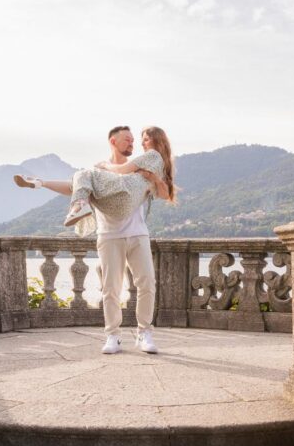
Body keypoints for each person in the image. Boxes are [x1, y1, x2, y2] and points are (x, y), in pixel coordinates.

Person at [14, 126, 176, 355]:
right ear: (113, 141)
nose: (133, 143)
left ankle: (145, 332)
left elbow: (164, 193)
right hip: (109, 235)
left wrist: (156, 178)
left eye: (134, 140)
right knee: (111, 289)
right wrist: (42, 183)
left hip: (138, 233)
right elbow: (71, 187)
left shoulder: (141, 169)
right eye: (128, 140)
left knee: (147, 283)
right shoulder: (95, 174)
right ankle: (113, 336)